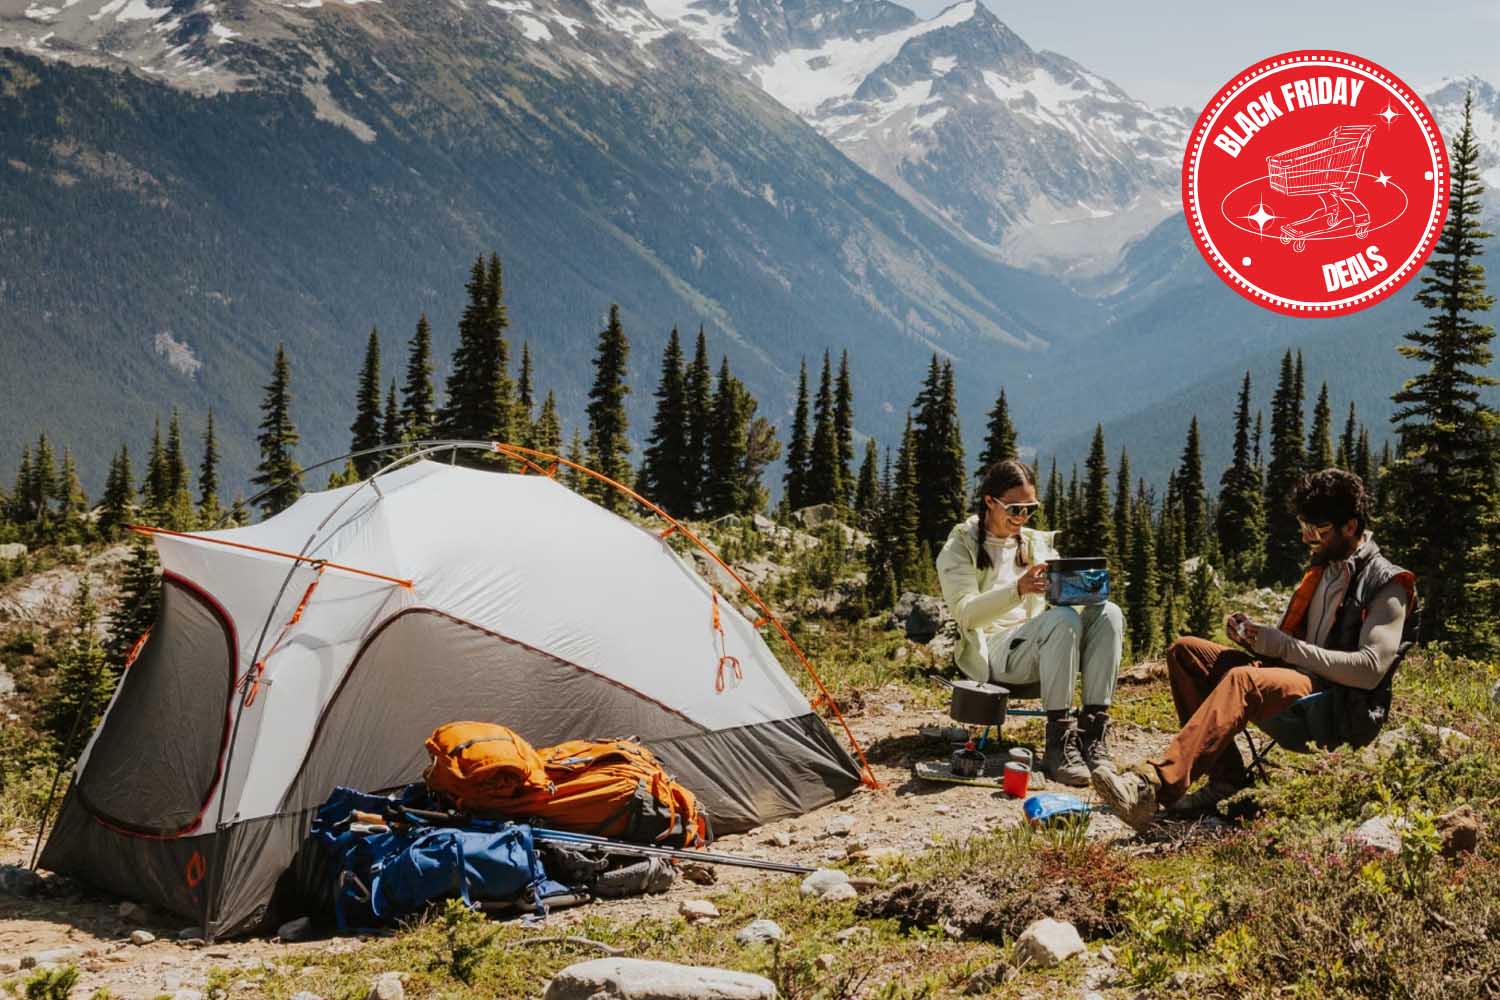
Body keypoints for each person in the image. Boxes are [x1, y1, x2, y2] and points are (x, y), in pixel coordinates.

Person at [1092, 468, 1416, 829]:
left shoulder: (1388, 583)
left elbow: (1369, 671)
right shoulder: (1324, 568)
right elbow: (1295, 647)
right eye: (1304, 529)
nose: (1310, 540)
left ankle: (1152, 787)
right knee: (1185, 652)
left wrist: (1286, 647)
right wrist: (1255, 639)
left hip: (1336, 706)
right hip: (1298, 681)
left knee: (1242, 679)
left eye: (1319, 532)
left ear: (1351, 527)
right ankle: (1228, 780)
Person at [936, 459, 1124, 786]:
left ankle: (1093, 734)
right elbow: (966, 614)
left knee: (1109, 613)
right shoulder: (961, 544)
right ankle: (1059, 744)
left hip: (1046, 646)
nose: (1022, 517)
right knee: (1062, 619)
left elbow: (1061, 603)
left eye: (1030, 508)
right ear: (990, 502)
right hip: (994, 653)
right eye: (1014, 508)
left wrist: (1084, 588)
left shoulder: (1035, 542)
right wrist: (1017, 589)